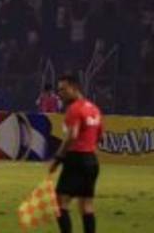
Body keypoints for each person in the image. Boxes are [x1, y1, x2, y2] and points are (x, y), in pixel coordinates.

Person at [48, 73, 102, 233]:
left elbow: (72, 136)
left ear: (74, 88)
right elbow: (100, 136)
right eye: (59, 90)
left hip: (76, 159)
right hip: (91, 161)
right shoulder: (94, 109)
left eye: (63, 90)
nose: (60, 94)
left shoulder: (74, 109)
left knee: (60, 203)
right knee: (86, 205)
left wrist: (57, 159)